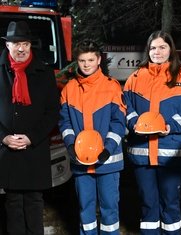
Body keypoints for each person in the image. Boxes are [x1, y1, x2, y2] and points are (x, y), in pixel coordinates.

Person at [123, 30, 181, 234]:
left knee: (171, 203)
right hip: (142, 153)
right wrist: (136, 124)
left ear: (170, 49)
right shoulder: (135, 77)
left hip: (171, 154)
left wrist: (170, 126)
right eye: (153, 47)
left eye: (162, 47)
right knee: (148, 204)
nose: (157, 52)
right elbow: (125, 107)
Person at [58, 39, 126, 235]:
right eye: (82, 60)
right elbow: (65, 123)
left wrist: (107, 149)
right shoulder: (69, 89)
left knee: (109, 211)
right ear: (76, 62)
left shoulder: (112, 87)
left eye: (90, 59)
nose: (86, 64)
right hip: (80, 161)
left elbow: (118, 123)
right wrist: (71, 146)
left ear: (98, 60)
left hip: (108, 162)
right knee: (85, 210)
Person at [0, 21, 59, 235]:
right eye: (16, 43)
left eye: (25, 43)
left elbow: (53, 111)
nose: (21, 48)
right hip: (7, 150)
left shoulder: (44, 72)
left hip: (35, 148)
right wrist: (4, 138)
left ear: (30, 45)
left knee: (34, 201)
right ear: (7, 46)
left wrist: (31, 138)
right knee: (13, 202)